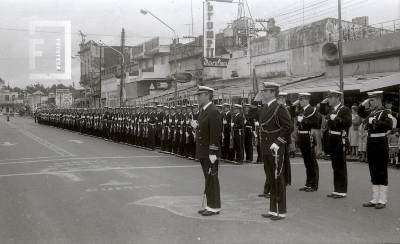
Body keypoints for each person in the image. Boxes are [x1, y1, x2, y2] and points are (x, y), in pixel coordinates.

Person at [248, 82, 294, 221]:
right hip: (266, 148)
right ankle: (273, 210)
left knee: (278, 180)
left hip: (275, 148)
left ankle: (281, 211)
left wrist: (278, 142)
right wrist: (255, 101)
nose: (263, 93)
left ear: (274, 93)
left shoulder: (279, 107)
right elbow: (250, 116)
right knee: (271, 178)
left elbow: (289, 127)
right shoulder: (263, 107)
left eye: (266, 91)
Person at [192, 86, 222, 216]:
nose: (198, 98)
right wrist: (196, 129)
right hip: (203, 150)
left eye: (200, 95)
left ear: (208, 96)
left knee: (212, 178)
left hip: (209, 152)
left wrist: (213, 152)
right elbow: (204, 130)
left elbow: (215, 134)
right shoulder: (204, 111)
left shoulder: (213, 111)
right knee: (208, 178)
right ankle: (210, 205)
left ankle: (215, 207)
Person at [359, 91, 392, 209]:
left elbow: (389, 125)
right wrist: (363, 104)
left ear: (379, 100)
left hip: (380, 142)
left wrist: (374, 121)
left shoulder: (385, 112)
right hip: (371, 142)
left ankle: (382, 199)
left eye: (372, 100)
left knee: (381, 170)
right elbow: (360, 113)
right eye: (369, 100)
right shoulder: (373, 112)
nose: (370, 103)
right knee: (373, 169)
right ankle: (375, 198)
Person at [320, 90, 352, 199]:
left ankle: (342, 190)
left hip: (339, 138)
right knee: (335, 166)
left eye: (331, 98)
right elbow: (322, 110)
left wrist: (336, 119)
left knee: (341, 165)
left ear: (337, 98)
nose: (329, 100)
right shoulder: (332, 109)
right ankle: (336, 189)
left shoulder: (345, 109)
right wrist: (325, 102)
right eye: (328, 98)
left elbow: (348, 122)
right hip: (332, 139)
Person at [291, 93, 319, 192]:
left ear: (307, 100)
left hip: (308, 136)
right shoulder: (301, 110)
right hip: (302, 136)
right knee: (306, 162)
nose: (300, 102)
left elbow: (316, 123)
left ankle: (313, 184)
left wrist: (304, 120)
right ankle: (308, 183)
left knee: (311, 162)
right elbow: (291, 114)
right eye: (300, 100)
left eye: (302, 100)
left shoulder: (312, 110)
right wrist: (293, 105)